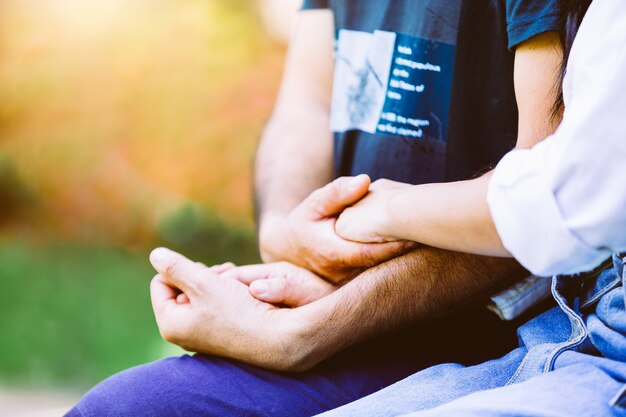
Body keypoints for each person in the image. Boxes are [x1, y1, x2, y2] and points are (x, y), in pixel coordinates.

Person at [67, 1, 566, 415]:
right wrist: (285, 231)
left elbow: (544, 192)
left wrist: (306, 331)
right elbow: (305, 105)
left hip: (493, 334)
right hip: (343, 311)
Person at [306, 0, 626, 414]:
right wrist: (288, 235)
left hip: (520, 317)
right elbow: (303, 105)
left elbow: (558, 198)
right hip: (576, 321)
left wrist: (384, 212)